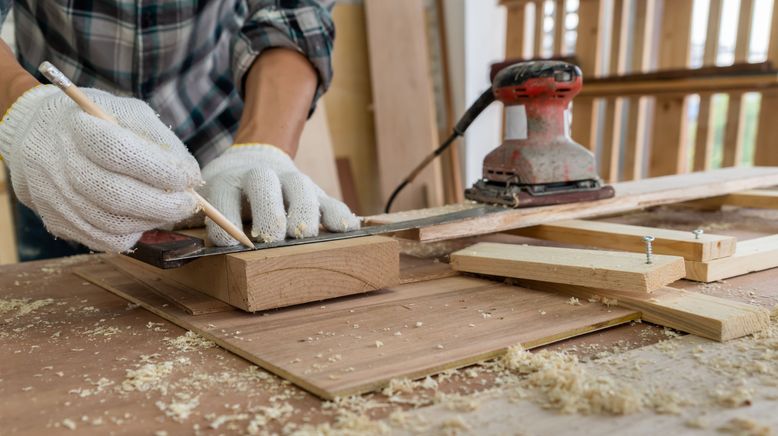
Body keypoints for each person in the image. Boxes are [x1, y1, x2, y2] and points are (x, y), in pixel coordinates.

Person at [0, 0, 359, 261]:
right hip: (59, 153)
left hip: (216, 140)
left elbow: (294, 11)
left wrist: (263, 146)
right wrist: (24, 111)